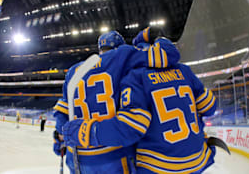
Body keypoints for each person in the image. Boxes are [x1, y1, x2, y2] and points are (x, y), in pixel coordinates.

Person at [63, 31, 217, 173]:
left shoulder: (75, 71)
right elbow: (209, 107)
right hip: (195, 159)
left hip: (149, 164)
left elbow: (63, 113)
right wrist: (159, 37)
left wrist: (70, 136)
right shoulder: (183, 70)